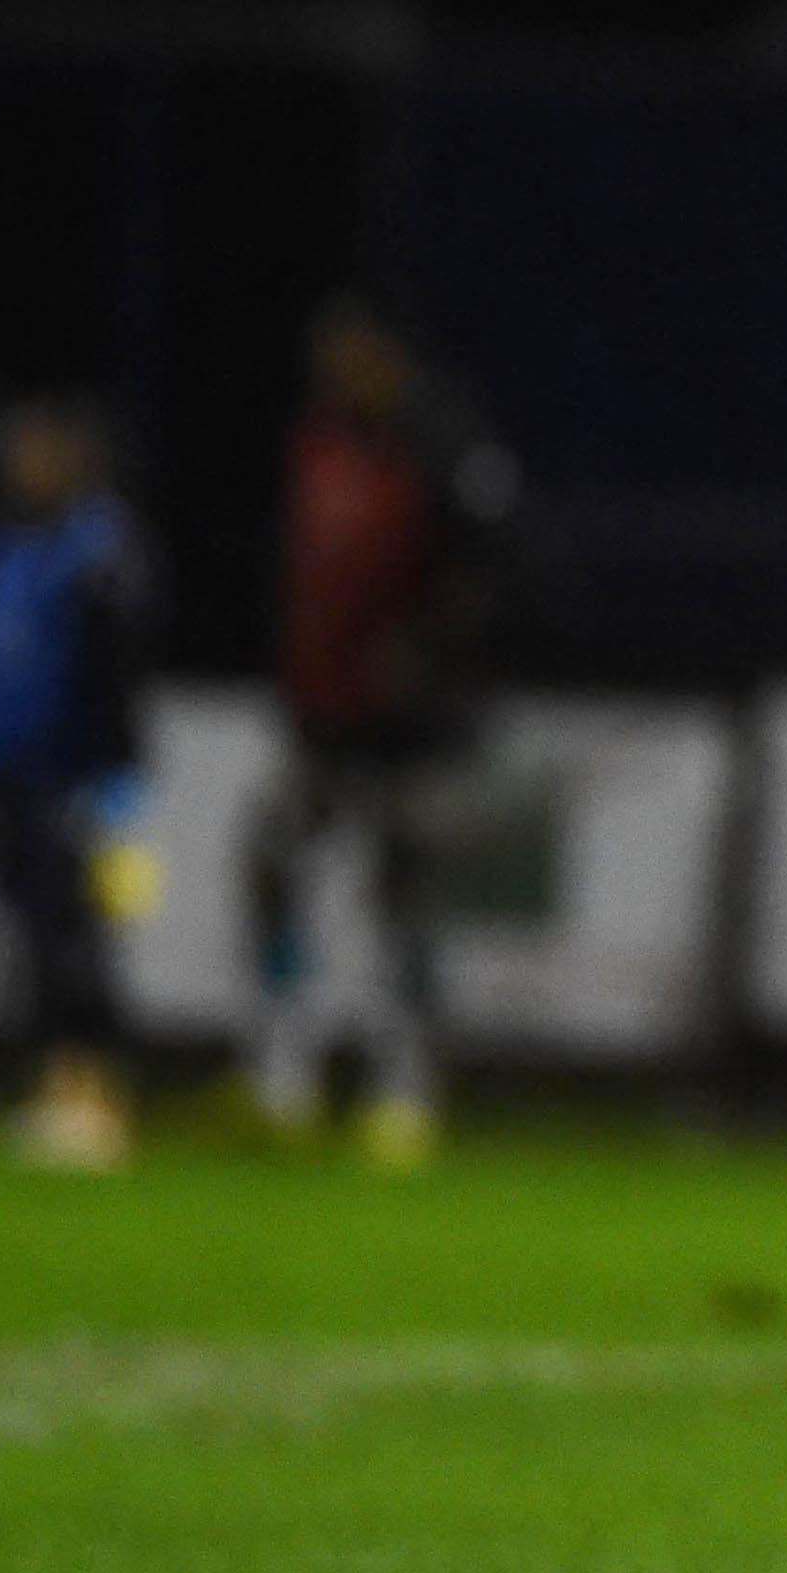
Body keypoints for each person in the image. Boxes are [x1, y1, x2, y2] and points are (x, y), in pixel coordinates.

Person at [240, 294, 518, 1169]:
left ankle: (404, 1082)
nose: (337, 377)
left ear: (390, 359)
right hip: (326, 714)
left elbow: (507, 570)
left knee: (403, 895)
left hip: (419, 725)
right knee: (273, 857)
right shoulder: (318, 443)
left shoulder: (446, 444)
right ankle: (288, 1058)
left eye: (352, 359)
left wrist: (432, 652)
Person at [0, 394, 160, 1172]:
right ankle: (55, 1090)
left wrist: (112, 776)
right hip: (1, 773)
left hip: (72, 776)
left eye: (36, 449)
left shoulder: (99, 549)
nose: (21, 465)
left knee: (73, 940)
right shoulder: (4, 542)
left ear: (73, 456)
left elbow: (118, 671)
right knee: (32, 940)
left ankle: (93, 1097)